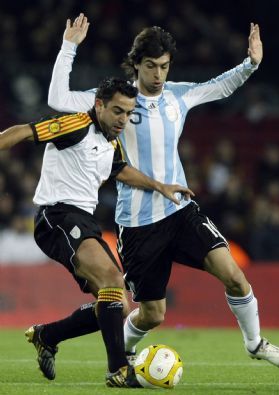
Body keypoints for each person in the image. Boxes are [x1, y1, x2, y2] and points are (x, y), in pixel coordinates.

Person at [44, 13, 279, 374]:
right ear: (137, 65)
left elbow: (220, 86)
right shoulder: (117, 102)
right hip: (138, 224)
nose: (158, 75)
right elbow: (57, 98)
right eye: (150, 66)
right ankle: (121, 358)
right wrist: (69, 47)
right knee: (151, 314)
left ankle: (255, 343)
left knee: (235, 275)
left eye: (163, 66)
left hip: (180, 210)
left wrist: (250, 64)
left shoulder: (179, 95)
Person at [0, 76, 194, 388]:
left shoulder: (111, 142)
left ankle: (47, 336)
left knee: (118, 305)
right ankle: (118, 370)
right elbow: (24, 131)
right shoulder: (74, 125)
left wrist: (159, 186)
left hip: (82, 220)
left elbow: (121, 170)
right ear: (99, 105)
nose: (123, 120)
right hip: (56, 215)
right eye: (117, 111)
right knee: (113, 281)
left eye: (129, 113)